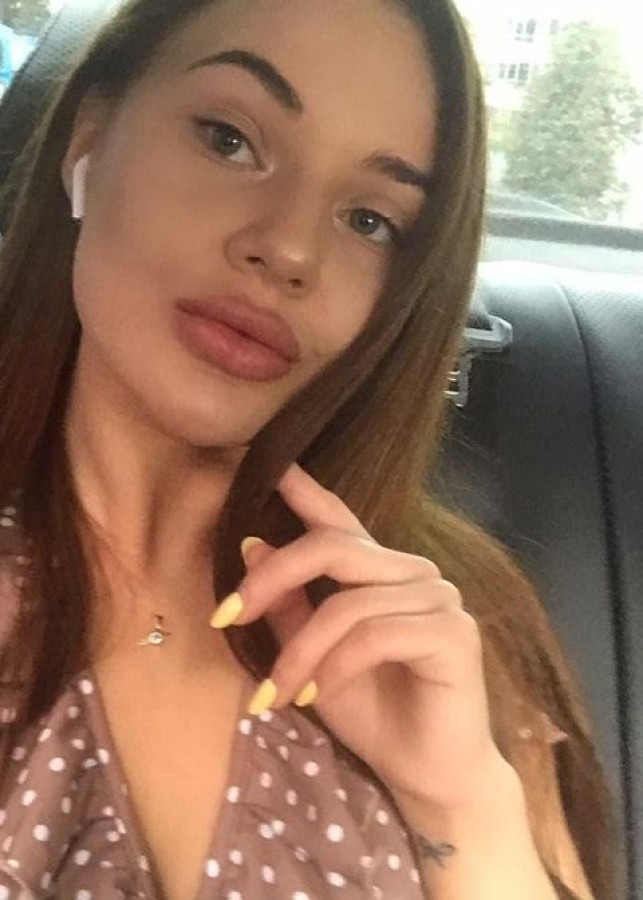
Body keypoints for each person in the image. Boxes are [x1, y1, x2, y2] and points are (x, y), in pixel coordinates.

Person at [0, 0, 619, 898]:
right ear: (88, 138)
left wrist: (461, 806)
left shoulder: (448, 630)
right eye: (228, 140)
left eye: (370, 221)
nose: (289, 248)